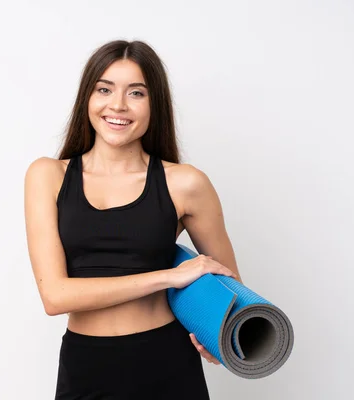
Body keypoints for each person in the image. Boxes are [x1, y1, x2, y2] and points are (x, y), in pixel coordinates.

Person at [24, 39, 243, 399]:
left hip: (169, 366)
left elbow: (232, 292)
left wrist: (219, 340)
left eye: (136, 93)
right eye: (104, 89)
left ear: (154, 103)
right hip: (86, 367)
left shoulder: (186, 183)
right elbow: (55, 296)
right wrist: (168, 277)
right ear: (88, 98)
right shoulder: (48, 176)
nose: (118, 105)